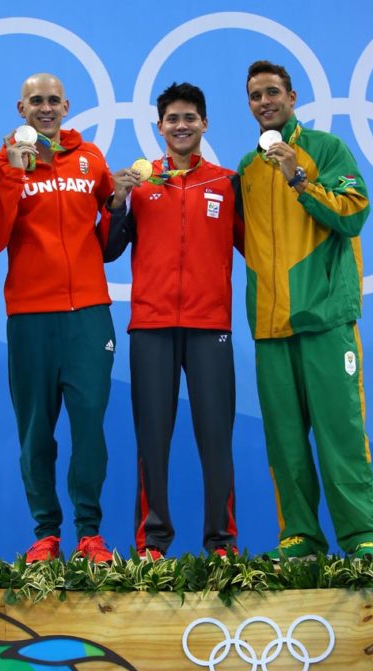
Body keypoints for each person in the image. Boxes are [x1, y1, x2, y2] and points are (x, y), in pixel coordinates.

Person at [238, 60, 373, 562]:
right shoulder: (246, 169)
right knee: (285, 443)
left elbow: (355, 213)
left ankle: (362, 535)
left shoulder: (326, 149)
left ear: (293, 96)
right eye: (256, 95)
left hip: (324, 318)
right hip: (270, 325)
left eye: (273, 92)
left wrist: (299, 179)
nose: (265, 102)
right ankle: (300, 536)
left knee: (340, 431)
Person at [102, 82, 244, 559]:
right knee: (153, 440)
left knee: (216, 440)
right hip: (152, 325)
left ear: (204, 123)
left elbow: (260, 248)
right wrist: (117, 202)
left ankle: (221, 544)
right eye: (172, 119)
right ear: (159, 127)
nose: (181, 126)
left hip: (210, 327)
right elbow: (109, 249)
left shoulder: (227, 183)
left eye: (189, 118)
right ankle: (152, 543)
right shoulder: (142, 184)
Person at [0, 73, 116, 564]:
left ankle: (90, 534)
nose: (45, 107)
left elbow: (111, 226)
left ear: (67, 106)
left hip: (88, 317)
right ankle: (46, 533)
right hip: (31, 317)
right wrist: (15, 173)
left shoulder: (91, 159)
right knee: (36, 431)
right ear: (20, 107)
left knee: (89, 430)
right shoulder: (1, 164)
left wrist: (118, 200)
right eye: (35, 100)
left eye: (53, 100)